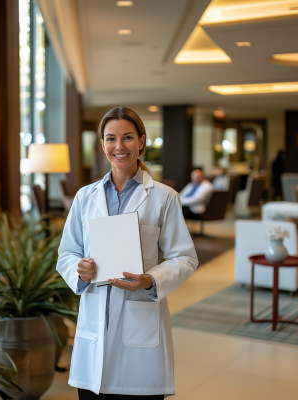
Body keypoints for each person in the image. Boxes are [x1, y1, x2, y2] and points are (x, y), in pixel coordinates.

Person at [57, 107, 198, 400]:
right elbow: (67, 252)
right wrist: (79, 269)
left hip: (140, 328)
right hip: (93, 329)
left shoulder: (164, 197)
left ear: (142, 141)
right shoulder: (85, 197)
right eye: (111, 139)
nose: (119, 147)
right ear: (102, 144)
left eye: (128, 138)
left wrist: (150, 280)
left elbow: (184, 257)